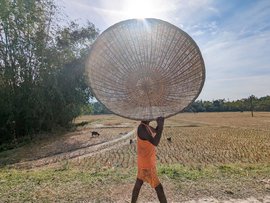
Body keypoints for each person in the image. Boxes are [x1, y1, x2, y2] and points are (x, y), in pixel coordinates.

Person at [131, 117, 167, 203]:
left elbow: (156, 131)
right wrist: (161, 126)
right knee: (159, 188)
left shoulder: (146, 126)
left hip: (144, 162)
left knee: (138, 184)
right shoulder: (142, 128)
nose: (151, 116)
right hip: (147, 165)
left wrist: (160, 125)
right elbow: (155, 142)